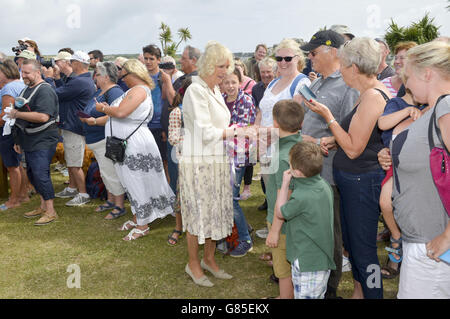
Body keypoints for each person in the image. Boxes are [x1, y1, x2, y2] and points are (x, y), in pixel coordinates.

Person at [304, 37, 391, 299]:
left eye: (343, 65)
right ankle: (359, 293)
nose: (340, 70)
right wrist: (329, 140)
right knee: (354, 246)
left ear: (354, 68)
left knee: (365, 251)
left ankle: (373, 294)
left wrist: (328, 117)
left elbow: (353, 148)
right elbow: (352, 135)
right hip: (353, 182)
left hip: (362, 184)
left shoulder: (373, 97)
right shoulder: (366, 95)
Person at [179, 41, 253, 287]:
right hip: (198, 161)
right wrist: (236, 131)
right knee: (197, 213)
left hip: (217, 160)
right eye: (221, 66)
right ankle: (192, 263)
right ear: (209, 65)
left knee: (216, 210)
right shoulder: (195, 90)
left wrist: (233, 131)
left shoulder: (213, 90)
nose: (225, 71)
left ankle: (209, 259)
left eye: (227, 66)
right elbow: (204, 131)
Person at [299, 29, 359, 299]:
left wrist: (321, 140)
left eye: (313, 53)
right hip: (312, 171)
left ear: (333, 51)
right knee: (315, 228)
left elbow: (353, 131)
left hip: (330, 173)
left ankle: (329, 290)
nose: (309, 58)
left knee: (331, 233)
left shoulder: (347, 85)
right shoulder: (318, 82)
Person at [389, 41, 450, 298]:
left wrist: (448, 236)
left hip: (434, 246)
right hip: (422, 242)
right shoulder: (434, 109)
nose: (406, 83)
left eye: (408, 75)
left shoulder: (445, 107)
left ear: (427, 73)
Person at [97, 59, 175, 241]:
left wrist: (103, 108)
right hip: (128, 142)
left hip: (135, 144)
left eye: (123, 73)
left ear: (132, 73)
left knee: (136, 180)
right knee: (130, 181)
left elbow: (122, 113)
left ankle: (143, 225)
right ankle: (138, 216)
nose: (121, 77)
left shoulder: (139, 90)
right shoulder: (133, 91)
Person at [275, 141, 335, 299]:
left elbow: (281, 212)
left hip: (308, 260)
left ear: (297, 171)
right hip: (320, 256)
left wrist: (285, 183)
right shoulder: (323, 185)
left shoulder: (302, 196)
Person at [377, 86, 425, 279]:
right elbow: (382, 123)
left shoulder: (431, 105)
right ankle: (396, 237)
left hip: (417, 167)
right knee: (385, 203)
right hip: (395, 165)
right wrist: (406, 111)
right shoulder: (396, 103)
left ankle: (403, 256)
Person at [7, 59, 59, 225]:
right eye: (22, 72)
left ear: (38, 72)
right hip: (29, 139)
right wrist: (17, 139)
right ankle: (43, 206)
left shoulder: (45, 91)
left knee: (40, 174)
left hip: (43, 139)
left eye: (27, 72)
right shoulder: (27, 89)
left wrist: (17, 114)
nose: (24, 75)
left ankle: (51, 211)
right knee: (32, 174)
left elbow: (43, 116)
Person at [45, 51, 96, 206]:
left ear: (78, 64)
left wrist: (47, 78)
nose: (69, 64)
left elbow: (55, 94)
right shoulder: (81, 80)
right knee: (71, 160)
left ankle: (82, 193)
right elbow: (65, 93)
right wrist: (58, 78)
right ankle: (73, 188)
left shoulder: (79, 82)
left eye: (71, 62)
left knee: (74, 163)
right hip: (72, 124)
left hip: (73, 126)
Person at [265, 99, 305, 299]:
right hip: (299, 220)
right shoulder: (301, 145)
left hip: (282, 223)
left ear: (275, 123)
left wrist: (274, 230)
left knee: (283, 269)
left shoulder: (282, 156)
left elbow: (285, 198)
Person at [80, 62, 126, 220]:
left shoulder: (114, 92)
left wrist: (93, 121)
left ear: (106, 77)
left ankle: (119, 205)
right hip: (96, 139)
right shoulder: (101, 91)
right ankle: (110, 200)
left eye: (97, 74)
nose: (95, 77)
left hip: (104, 138)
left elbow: (117, 113)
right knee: (106, 173)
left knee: (111, 172)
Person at [165, 45, 201, 246]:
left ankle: (195, 226)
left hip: (199, 158)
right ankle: (178, 227)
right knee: (180, 194)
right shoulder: (177, 112)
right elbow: (173, 138)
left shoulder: (199, 112)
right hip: (180, 159)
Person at [222, 68, 257, 257]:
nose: (230, 86)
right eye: (226, 82)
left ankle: (245, 239)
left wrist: (219, 132)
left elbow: (242, 129)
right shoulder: (220, 98)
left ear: (240, 82)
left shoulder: (245, 100)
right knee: (225, 197)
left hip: (238, 156)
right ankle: (240, 229)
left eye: (233, 82)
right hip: (222, 155)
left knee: (231, 199)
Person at [142, 44, 174, 181]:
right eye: (146, 58)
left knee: (164, 161)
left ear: (159, 60)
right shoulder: (141, 76)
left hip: (159, 125)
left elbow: (172, 101)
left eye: (151, 58)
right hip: (144, 125)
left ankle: (167, 191)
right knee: (148, 161)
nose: (148, 62)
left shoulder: (163, 77)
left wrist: (165, 128)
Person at [0, 59, 28, 210]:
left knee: (12, 166)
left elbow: (4, 116)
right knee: (18, 165)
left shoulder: (8, 89)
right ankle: (22, 195)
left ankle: (14, 199)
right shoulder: (21, 84)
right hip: (19, 130)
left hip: (8, 131)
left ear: (5, 72)